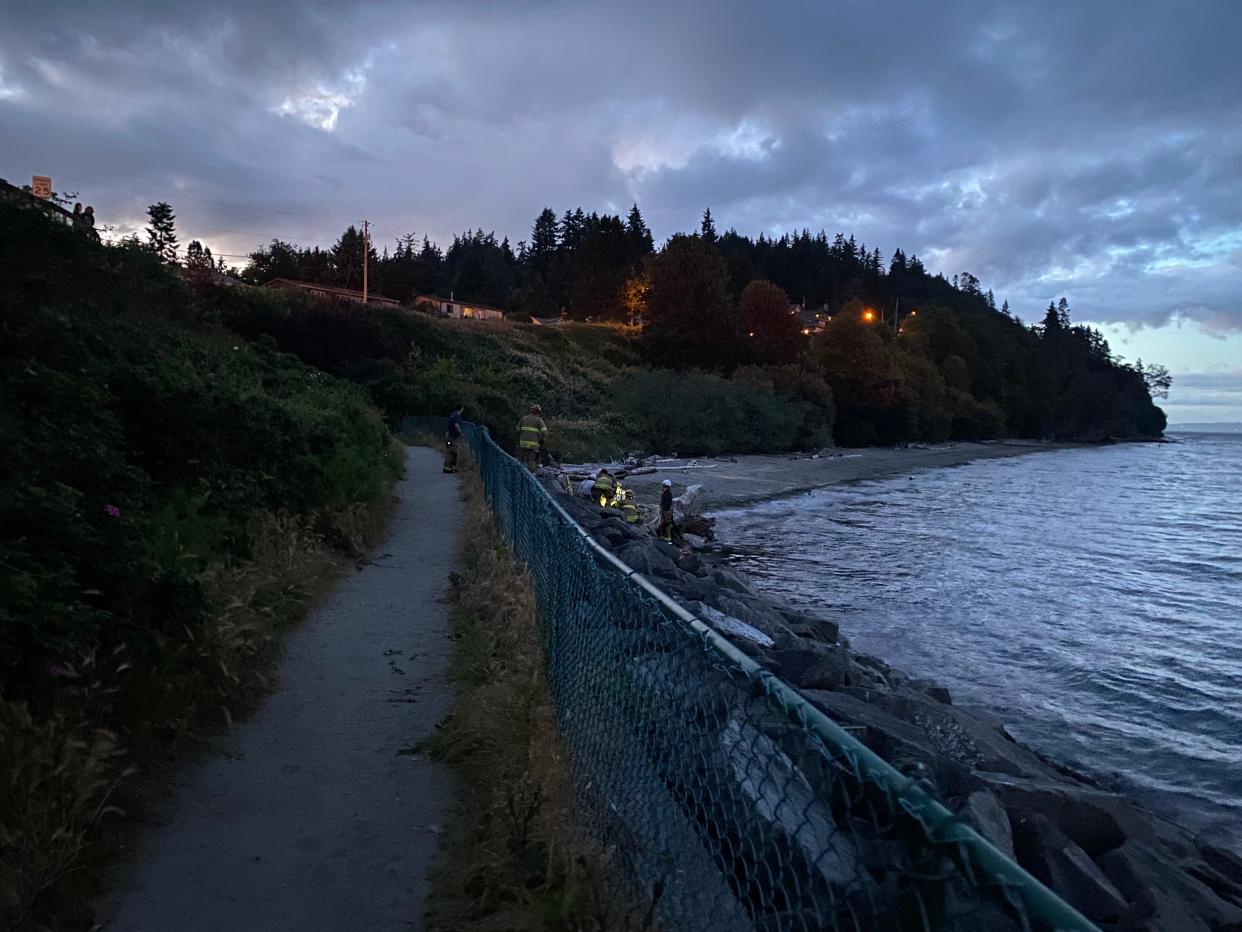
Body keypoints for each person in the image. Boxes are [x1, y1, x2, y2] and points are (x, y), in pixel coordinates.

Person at [516, 404, 547, 471]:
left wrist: (522, 436)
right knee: (532, 460)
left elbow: (517, 429)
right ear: (538, 412)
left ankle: (518, 471)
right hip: (533, 445)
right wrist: (541, 439)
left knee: (520, 459)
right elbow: (544, 432)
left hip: (522, 443)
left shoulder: (523, 418)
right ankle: (531, 474)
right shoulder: (539, 420)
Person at [443, 403, 464, 473]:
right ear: (461, 408)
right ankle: (450, 468)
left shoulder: (452, 414)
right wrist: (460, 433)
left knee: (449, 451)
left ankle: (447, 468)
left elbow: (449, 425)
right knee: (453, 452)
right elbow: (456, 425)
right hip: (454, 437)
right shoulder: (457, 416)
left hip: (449, 437)